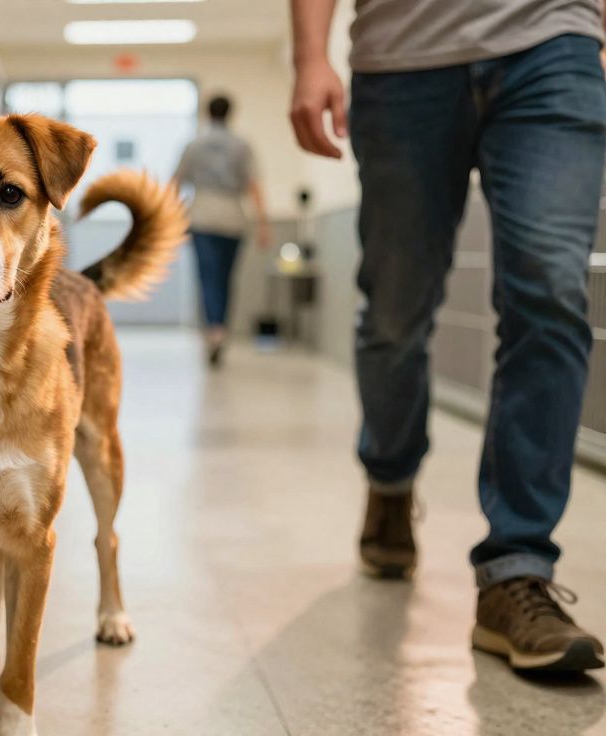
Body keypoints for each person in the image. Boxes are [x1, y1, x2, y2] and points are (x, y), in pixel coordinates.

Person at [289, 0, 606, 672]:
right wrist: (309, 55)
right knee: (395, 316)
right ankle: (391, 475)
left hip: (553, 39)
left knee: (549, 293)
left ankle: (516, 568)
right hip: (404, 59)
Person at [172, 94, 272, 368]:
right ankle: (222, 329)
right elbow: (254, 186)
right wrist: (263, 223)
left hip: (202, 214)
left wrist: (169, 220)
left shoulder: (194, 145)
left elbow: (175, 184)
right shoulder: (242, 145)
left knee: (207, 277)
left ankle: (213, 331)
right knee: (226, 278)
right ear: (231, 113)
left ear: (207, 113)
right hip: (233, 217)